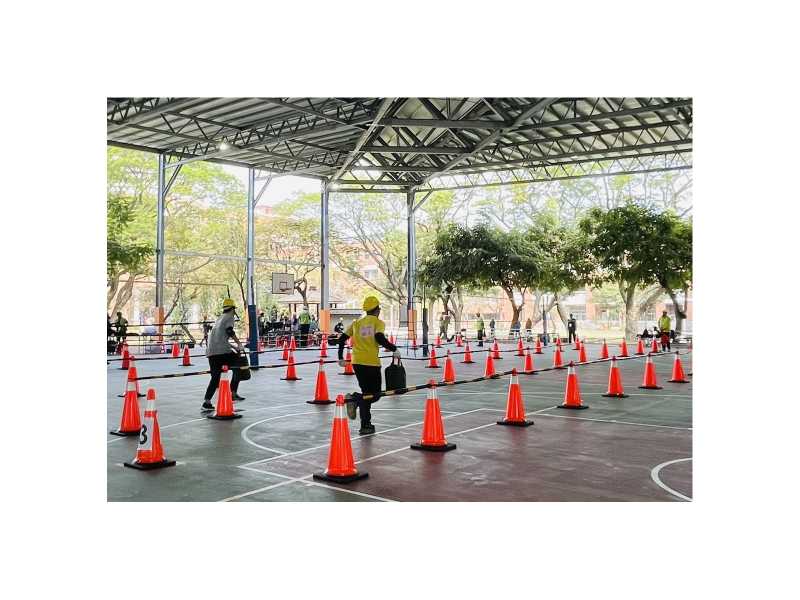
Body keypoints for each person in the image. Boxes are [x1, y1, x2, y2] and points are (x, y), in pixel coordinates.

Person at [338, 296, 400, 435]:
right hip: (371, 362)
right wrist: (394, 349)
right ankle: (354, 399)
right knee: (375, 395)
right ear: (377, 310)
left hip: (357, 362)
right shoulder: (378, 323)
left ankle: (365, 425)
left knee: (366, 393)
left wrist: (340, 357)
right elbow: (379, 337)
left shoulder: (357, 323)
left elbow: (342, 339)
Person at [201, 298, 246, 411]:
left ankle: (207, 401)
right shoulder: (230, 317)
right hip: (222, 352)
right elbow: (229, 331)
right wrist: (239, 343)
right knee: (239, 366)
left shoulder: (219, 319)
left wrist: (233, 347)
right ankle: (233, 392)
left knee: (215, 377)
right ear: (233, 309)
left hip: (211, 352)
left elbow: (221, 339)